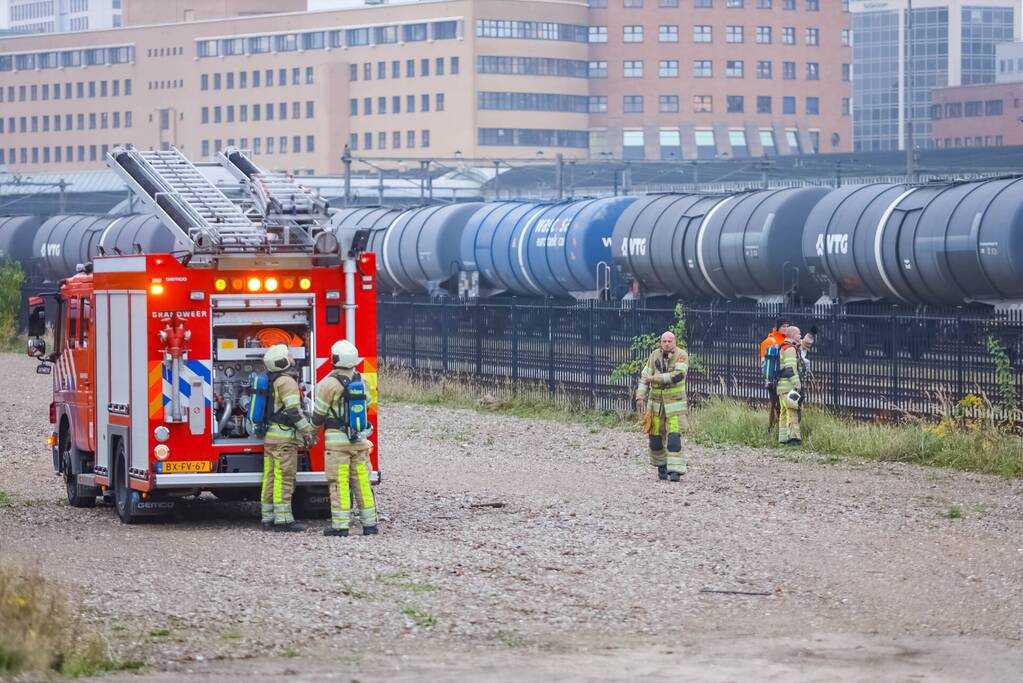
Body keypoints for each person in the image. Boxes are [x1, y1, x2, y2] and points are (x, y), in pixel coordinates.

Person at [312, 340, 379, 537]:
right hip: (358, 441)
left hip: (337, 444)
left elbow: (318, 415)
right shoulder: (362, 382)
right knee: (362, 482)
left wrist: (310, 431)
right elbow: (368, 404)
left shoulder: (328, 384)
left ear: (334, 360)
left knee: (339, 482)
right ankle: (370, 524)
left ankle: (340, 526)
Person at [261, 344, 318, 532]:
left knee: (270, 478)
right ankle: (284, 520)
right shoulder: (287, 381)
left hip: (271, 437)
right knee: (284, 478)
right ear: (282, 361)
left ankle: (268, 517)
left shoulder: (273, 380)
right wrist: (308, 431)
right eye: (289, 355)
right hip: (284, 440)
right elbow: (294, 411)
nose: (292, 357)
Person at [636, 331, 689, 482]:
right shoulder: (654, 356)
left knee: (674, 439)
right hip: (656, 407)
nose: (666, 344)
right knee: (655, 439)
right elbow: (645, 377)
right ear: (660, 342)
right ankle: (662, 466)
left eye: (669, 341)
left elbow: (677, 375)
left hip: (675, 408)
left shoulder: (681, 355)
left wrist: (655, 378)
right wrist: (640, 396)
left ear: (675, 342)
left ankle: (675, 471)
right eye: (664, 341)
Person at [760, 320, 790, 429]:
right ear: (777, 328)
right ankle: (774, 427)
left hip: (783, 378)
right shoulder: (770, 342)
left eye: (788, 326)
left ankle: (776, 428)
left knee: (779, 404)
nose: (786, 328)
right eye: (783, 326)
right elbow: (764, 364)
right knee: (776, 404)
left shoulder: (786, 340)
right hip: (774, 379)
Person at [776, 325, 802, 446]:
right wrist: (797, 384)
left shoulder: (783, 347)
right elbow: (790, 369)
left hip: (781, 387)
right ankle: (794, 438)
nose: (800, 336)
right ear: (792, 335)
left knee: (783, 412)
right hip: (788, 386)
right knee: (792, 411)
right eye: (799, 334)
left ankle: (782, 438)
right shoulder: (790, 349)